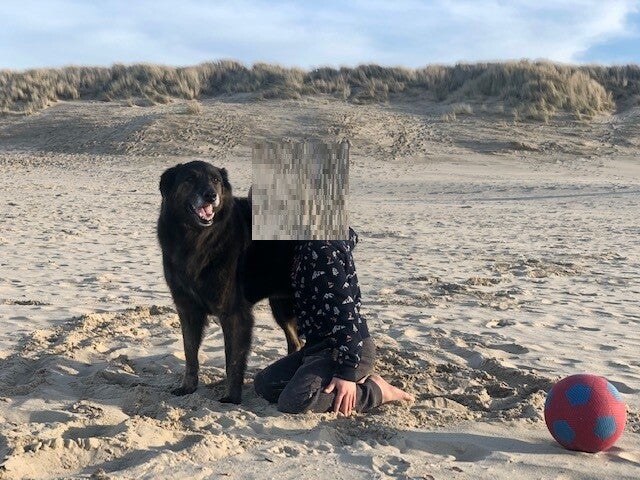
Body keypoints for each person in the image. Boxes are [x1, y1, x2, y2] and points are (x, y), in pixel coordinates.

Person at [254, 227, 414, 415]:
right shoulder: (299, 245)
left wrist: (346, 373)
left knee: (295, 402)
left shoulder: (320, 251)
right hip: (317, 346)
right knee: (265, 384)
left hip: (347, 347)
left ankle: (377, 390)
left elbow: (346, 315)